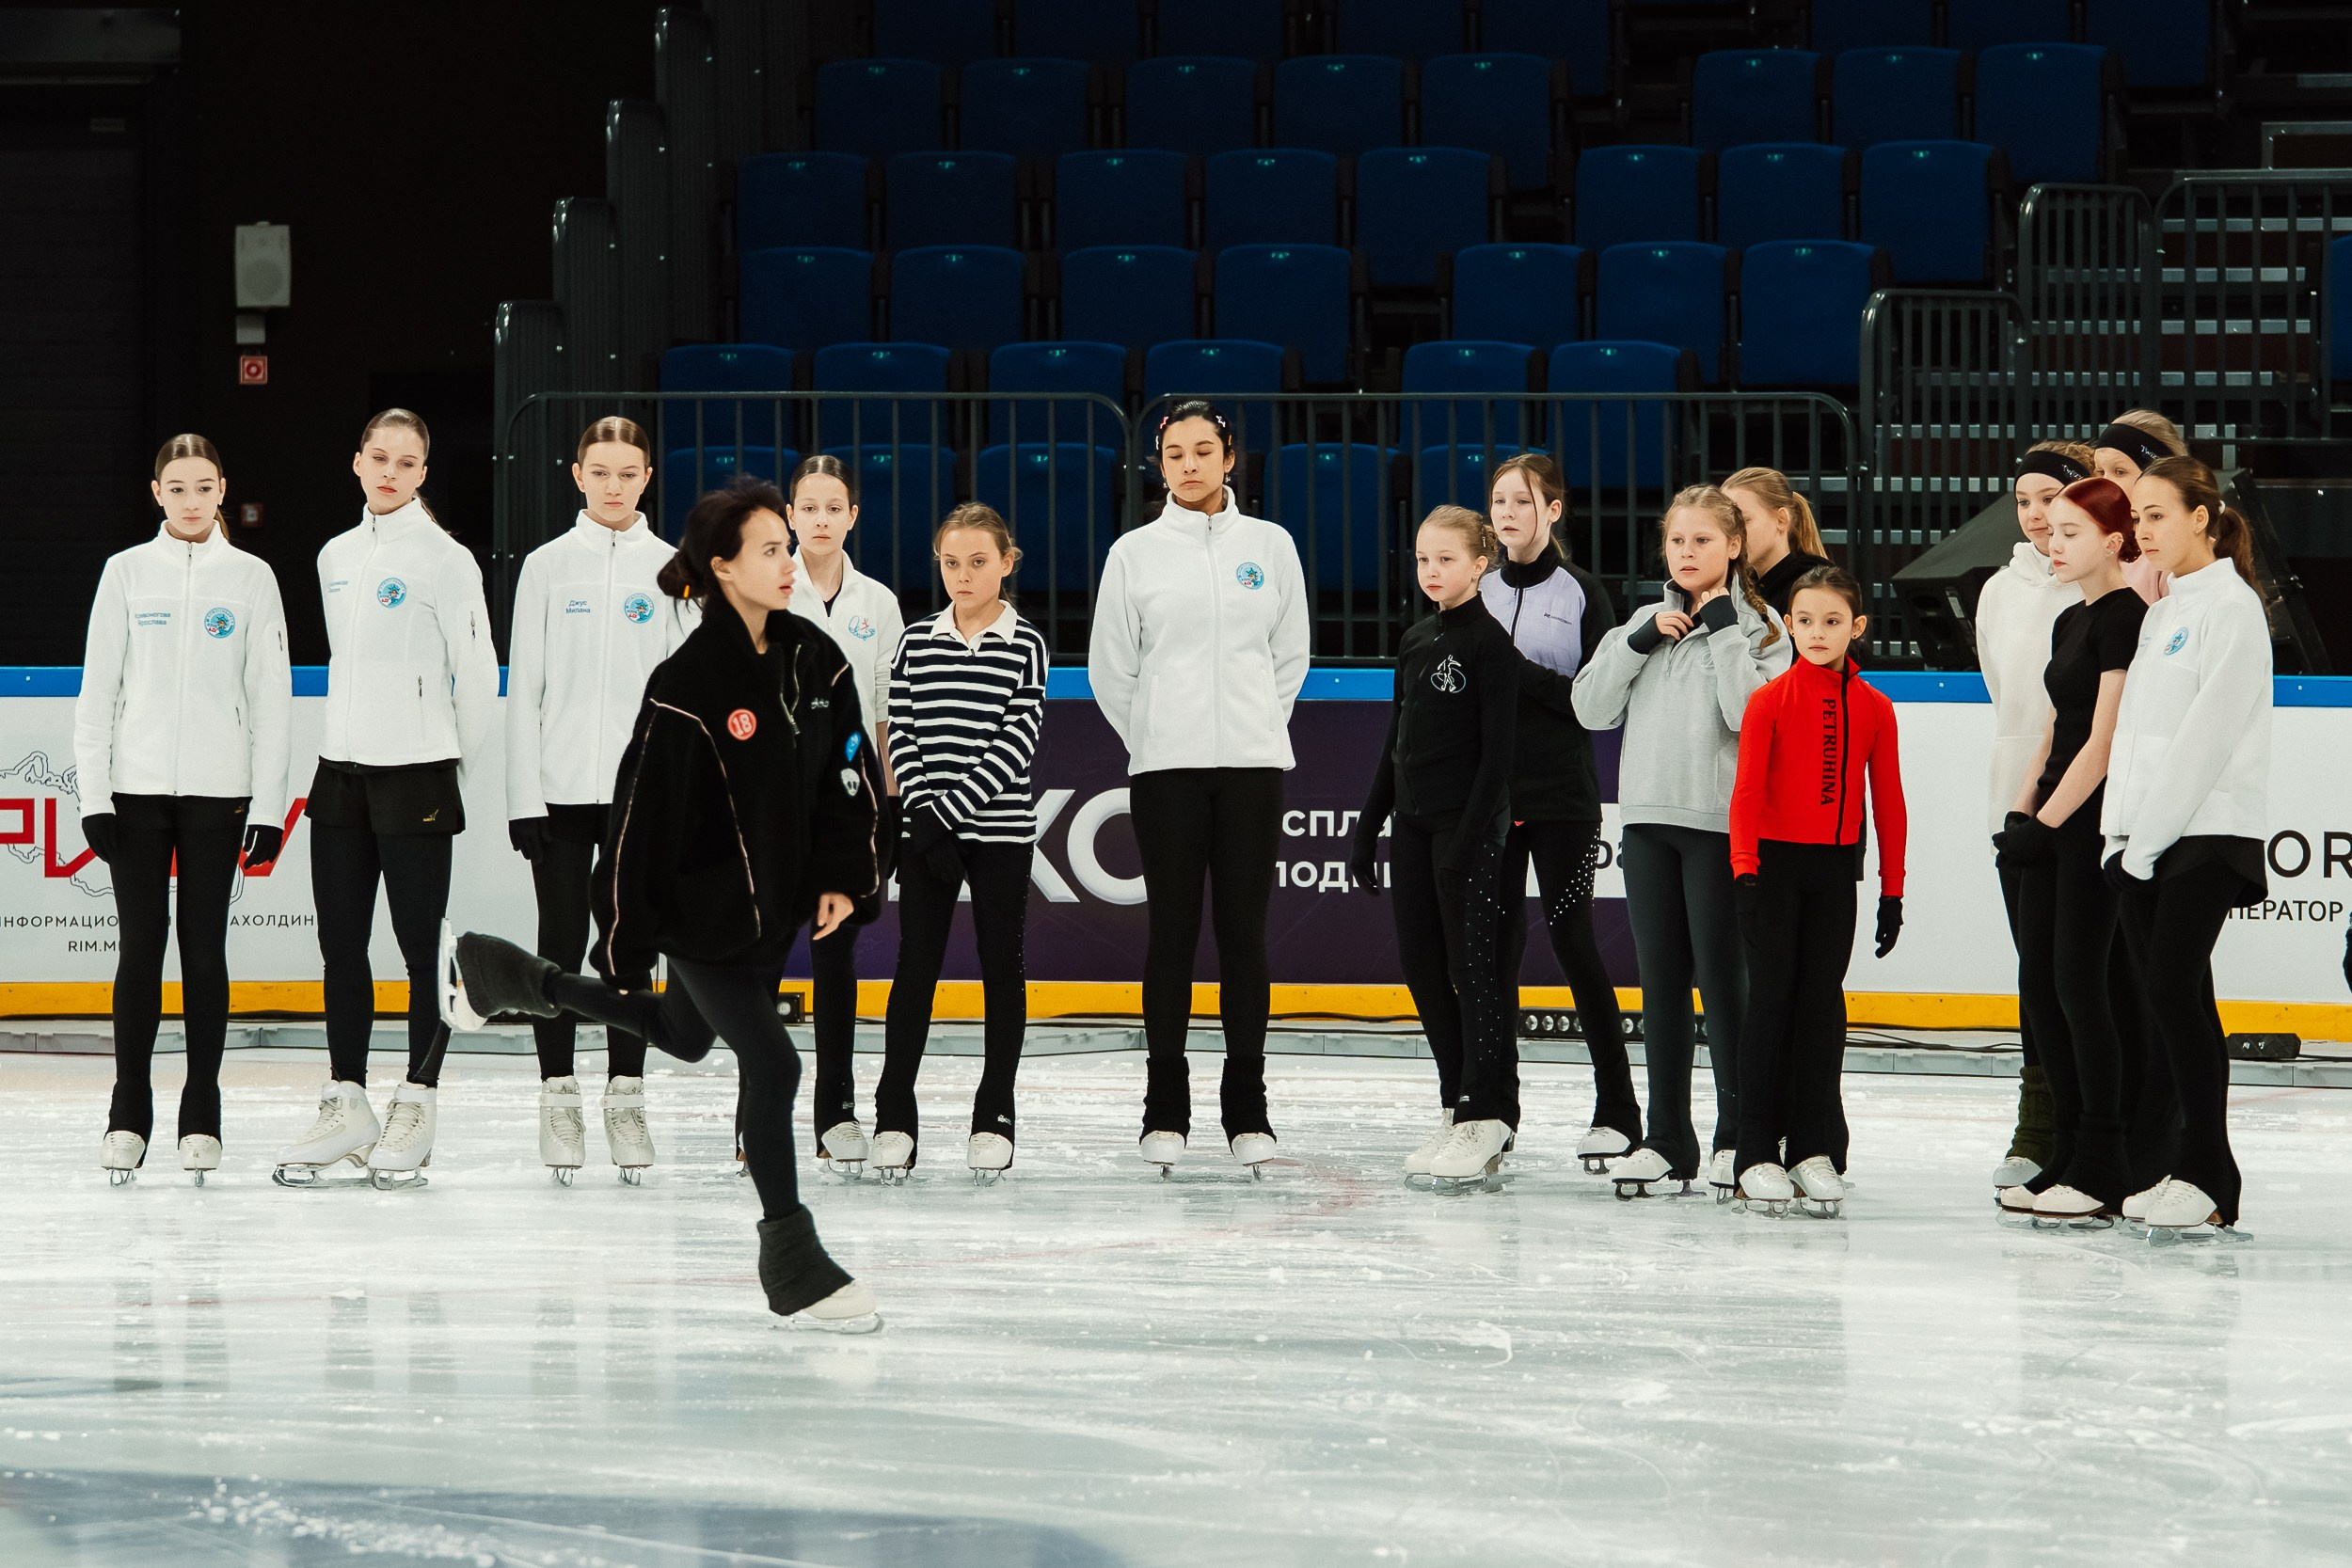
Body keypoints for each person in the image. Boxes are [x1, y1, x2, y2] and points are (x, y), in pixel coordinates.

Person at [451, 477, 883, 1329]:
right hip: (701, 914)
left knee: (684, 1036)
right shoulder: (685, 683)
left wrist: (844, 874)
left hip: (775, 909)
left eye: (788, 548)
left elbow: (849, 772)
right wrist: (625, 937)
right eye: (771, 550)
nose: (790, 562)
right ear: (722, 567)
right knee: (776, 1066)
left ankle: (514, 978)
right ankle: (793, 1262)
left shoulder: (818, 658)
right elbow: (638, 820)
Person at [276, 409, 498, 1189]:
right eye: (380, 457)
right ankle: (347, 1100)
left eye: (407, 463)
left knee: (419, 950)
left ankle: (419, 1098)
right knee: (341, 946)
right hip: (339, 774)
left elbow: (477, 674)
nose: (391, 472)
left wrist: (448, 766)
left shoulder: (447, 560)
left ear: (424, 473)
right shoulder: (334, 555)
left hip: (418, 774)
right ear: (358, 462)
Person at [1088, 400, 1311, 1177]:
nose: (1189, 464)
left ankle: (1247, 1107)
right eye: (1175, 453)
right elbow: (1112, 669)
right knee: (1173, 935)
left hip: (1252, 767)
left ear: (1229, 457)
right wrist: (1156, 735)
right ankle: (1165, 1107)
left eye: (1203, 450)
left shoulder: (1271, 546)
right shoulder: (1134, 554)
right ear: (1159, 465)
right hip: (1166, 771)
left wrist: (1254, 726)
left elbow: (1290, 655)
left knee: (1244, 935)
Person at [76, 435, 291, 1185]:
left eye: (204, 486)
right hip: (134, 792)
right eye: (177, 487)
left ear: (222, 488)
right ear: (156, 493)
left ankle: (202, 1108)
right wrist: (94, 795)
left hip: (218, 791)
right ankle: (128, 1109)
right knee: (141, 948)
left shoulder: (253, 578)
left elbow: (271, 699)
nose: (191, 500)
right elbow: (97, 691)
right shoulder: (126, 573)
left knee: (204, 950)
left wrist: (268, 806)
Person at [1573, 485, 1790, 1199]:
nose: (1687, 553)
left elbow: (1747, 716)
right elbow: (1590, 708)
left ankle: (1737, 1136)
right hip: (1646, 823)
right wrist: (1636, 643)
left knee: (1725, 985)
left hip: (1719, 828)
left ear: (1734, 545)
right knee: (1660, 983)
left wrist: (1724, 629)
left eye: (1703, 540)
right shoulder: (1643, 620)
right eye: (1677, 541)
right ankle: (1667, 1138)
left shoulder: (1765, 629)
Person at [505, 416, 691, 1185]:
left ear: (647, 477)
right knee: (557, 940)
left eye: (628, 472)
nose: (614, 486)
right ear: (578, 475)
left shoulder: (673, 569)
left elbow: (684, 695)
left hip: (640, 795)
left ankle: (625, 1094)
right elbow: (525, 686)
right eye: (601, 472)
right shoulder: (546, 566)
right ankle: (558, 1093)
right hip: (557, 791)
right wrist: (523, 794)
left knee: (628, 945)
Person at [2104, 456, 2271, 1235]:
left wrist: (2143, 844)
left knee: (2173, 990)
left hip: (2208, 832)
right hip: (2149, 838)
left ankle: (2208, 1171)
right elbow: (2134, 738)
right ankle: (2195, 1170)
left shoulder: (2232, 609)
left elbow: (2205, 741)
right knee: (2174, 996)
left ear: (2201, 517)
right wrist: (2120, 835)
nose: (2143, 531)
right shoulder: (2163, 611)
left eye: (2158, 515)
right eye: (2137, 517)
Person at [870, 502, 1047, 1182]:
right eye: (951, 563)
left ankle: (994, 1113)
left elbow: (1016, 742)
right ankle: (894, 1113)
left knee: (1002, 965)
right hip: (927, 834)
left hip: (997, 833)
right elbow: (902, 732)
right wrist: (924, 816)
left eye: (978, 561)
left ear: (1006, 562)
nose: (963, 575)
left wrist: (945, 815)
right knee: (916, 965)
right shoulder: (914, 643)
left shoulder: (1025, 644)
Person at [1726, 566, 1905, 1218]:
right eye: (1805, 621)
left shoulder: (1875, 707)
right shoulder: (1769, 700)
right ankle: (1753, 1151)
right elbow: (1747, 792)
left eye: (1832, 621)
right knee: (1770, 1004)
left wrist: (1892, 891)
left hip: (1834, 876)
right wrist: (1744, 871)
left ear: (1857, 627)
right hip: (1773, 870)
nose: (1817, 632)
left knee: (1820, 1010)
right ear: (1789, 625)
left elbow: (1889, 803)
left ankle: (1811, 1146)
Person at [1350, 507, 1520, 1188]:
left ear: (1479, 564)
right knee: (1422, 967)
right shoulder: (1417, 638)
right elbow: (1397, 743)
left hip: (1466, 830)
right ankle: (1459, 1105)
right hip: (1414, 826)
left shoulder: (1490, 645)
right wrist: (1368, 826)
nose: (1431, 571)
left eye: (1446, 559)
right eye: (1423, 559)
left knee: (1473, 972)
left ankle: (1489, 1111)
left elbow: (1499, 758)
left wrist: (1467, 844)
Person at [1992, 477, 2145, 1225]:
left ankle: (2103, 1158)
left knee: (2082, 989)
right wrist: (2020, 812)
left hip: (2089, 825)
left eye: (2070, 532)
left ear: (2114, 541)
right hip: (2051, 819)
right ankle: (2065, 1152)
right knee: (2045, 988)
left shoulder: (2128, 618)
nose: (2053, 543)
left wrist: (2049, 825)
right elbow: (2055, 729)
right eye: (2050, 530)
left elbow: (2104, 741)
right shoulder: (2070, 620)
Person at [1478, 453, 1634, 1171]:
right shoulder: (1477, 586)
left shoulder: (1581, 593)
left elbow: (1593, 701)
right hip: (1491, 800)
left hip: (1564, 798)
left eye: (1523, 500)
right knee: (1494, 949)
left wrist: (1517, 675)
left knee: (1574, 942)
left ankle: (1619, 1110)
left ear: (1554, 509)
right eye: (1499, 501)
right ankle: (1495, 1107)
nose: (1508, 513)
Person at [782, 454, 905, 1176]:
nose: (821, 519)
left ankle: (836, 1111)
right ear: (789, 514)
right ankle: (757, 1117)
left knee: (836, 958)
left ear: (854, 515)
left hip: (852, 806)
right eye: (809, 506)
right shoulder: (766, 585)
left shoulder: (878, 602)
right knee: (763, 958)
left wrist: (888, 801)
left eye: (834, 507)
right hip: (775, 804)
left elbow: (888, 710)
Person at [1977, 441, 2094, 1193]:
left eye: (2049, 496)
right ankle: (2038, 1124)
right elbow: (2007, 696)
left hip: (2083, 801)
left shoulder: (2103, 586)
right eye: (2023, 500)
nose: (2035, 514)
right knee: (2035, 973)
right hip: (2015, 800)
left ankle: (2094, 1122)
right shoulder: (1999, 590)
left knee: (2078, 973)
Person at [2090, 414, 2184, 604]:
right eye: (2100, 471)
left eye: (2119, 472)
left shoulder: (2176, 550)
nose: (2104, 482)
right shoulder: (2098, 541)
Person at [1722, 466, 1832, 617]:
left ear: (1781, 520)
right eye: (1726, 524)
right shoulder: (1739, 584)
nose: (1732, 534)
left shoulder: (1814, 586)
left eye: (1744, 521)